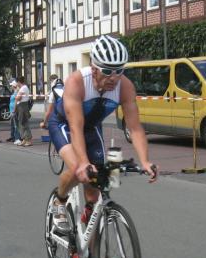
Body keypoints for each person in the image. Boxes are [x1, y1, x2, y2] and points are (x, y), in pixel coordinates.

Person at [47, 35, 157, 232]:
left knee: (95, 188)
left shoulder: (125, 87)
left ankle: (91, 240)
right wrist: (83, 162)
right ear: (94, 68)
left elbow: (135, 128)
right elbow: (76, 127)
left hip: (91, 127)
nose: (113, 77)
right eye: (107, 71)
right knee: (78, 169)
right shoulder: (77, 82)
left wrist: (145, 161)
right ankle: (59, 200)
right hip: (65, 124)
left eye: (119, 70)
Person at [14, 76, 32, 146]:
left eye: (17, 82)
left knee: (24, 123)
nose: (16, 84)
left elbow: (18, 98)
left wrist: (16, 97)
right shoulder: (22, 88)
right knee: (21, 123)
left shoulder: (23, 88)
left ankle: (28, 140)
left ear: (19, 82)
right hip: (20, 106)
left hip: (22, 106)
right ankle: (24, 139)